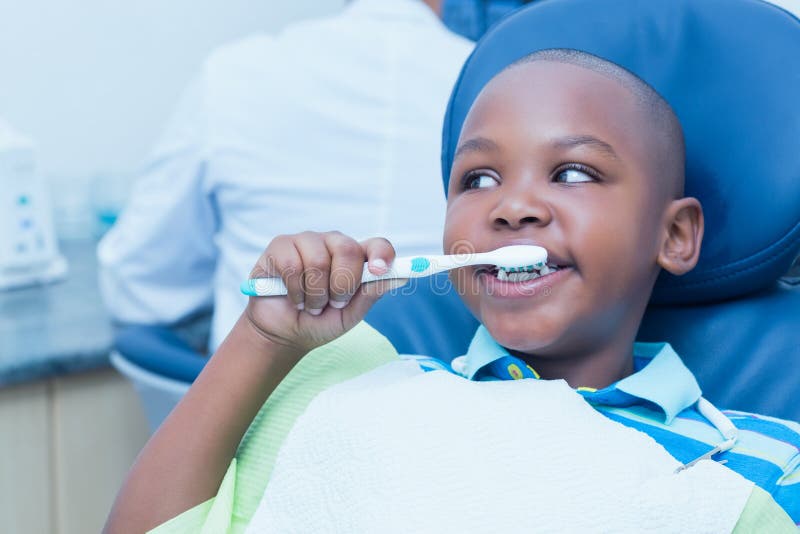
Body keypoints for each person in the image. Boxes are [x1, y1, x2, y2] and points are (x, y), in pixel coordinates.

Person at [103, 46, 800, 532]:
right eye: (478, 179)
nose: (512, 206)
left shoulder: (760, 465)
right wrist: (261, 340)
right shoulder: (343, 381)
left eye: (575, 173)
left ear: (675, 235)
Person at [97, 0, 473, 352]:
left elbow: (138, 285)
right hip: (456, 405)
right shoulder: (495, 83)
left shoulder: (235, 74)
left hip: (258, 406)